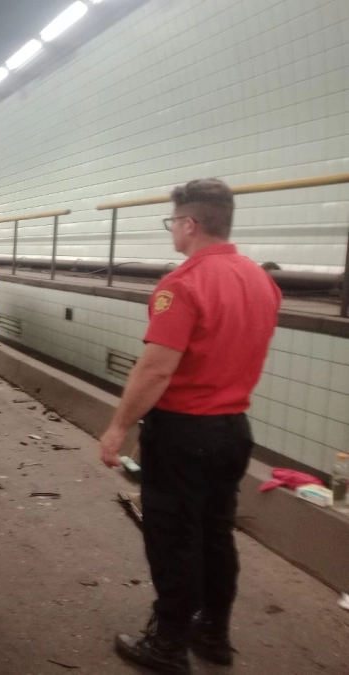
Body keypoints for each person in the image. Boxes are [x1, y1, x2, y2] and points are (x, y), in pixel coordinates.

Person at [98, 179, 281, 674]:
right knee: (216, 534)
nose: (172, 230)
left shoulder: (182, 284)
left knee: (174, 538)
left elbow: (156, 370)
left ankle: (168, 644)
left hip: (183, 434)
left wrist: (118, 428)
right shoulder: (262, 280)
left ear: (190, 224)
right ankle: (213, 633)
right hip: (233, 431)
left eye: (173, 221)